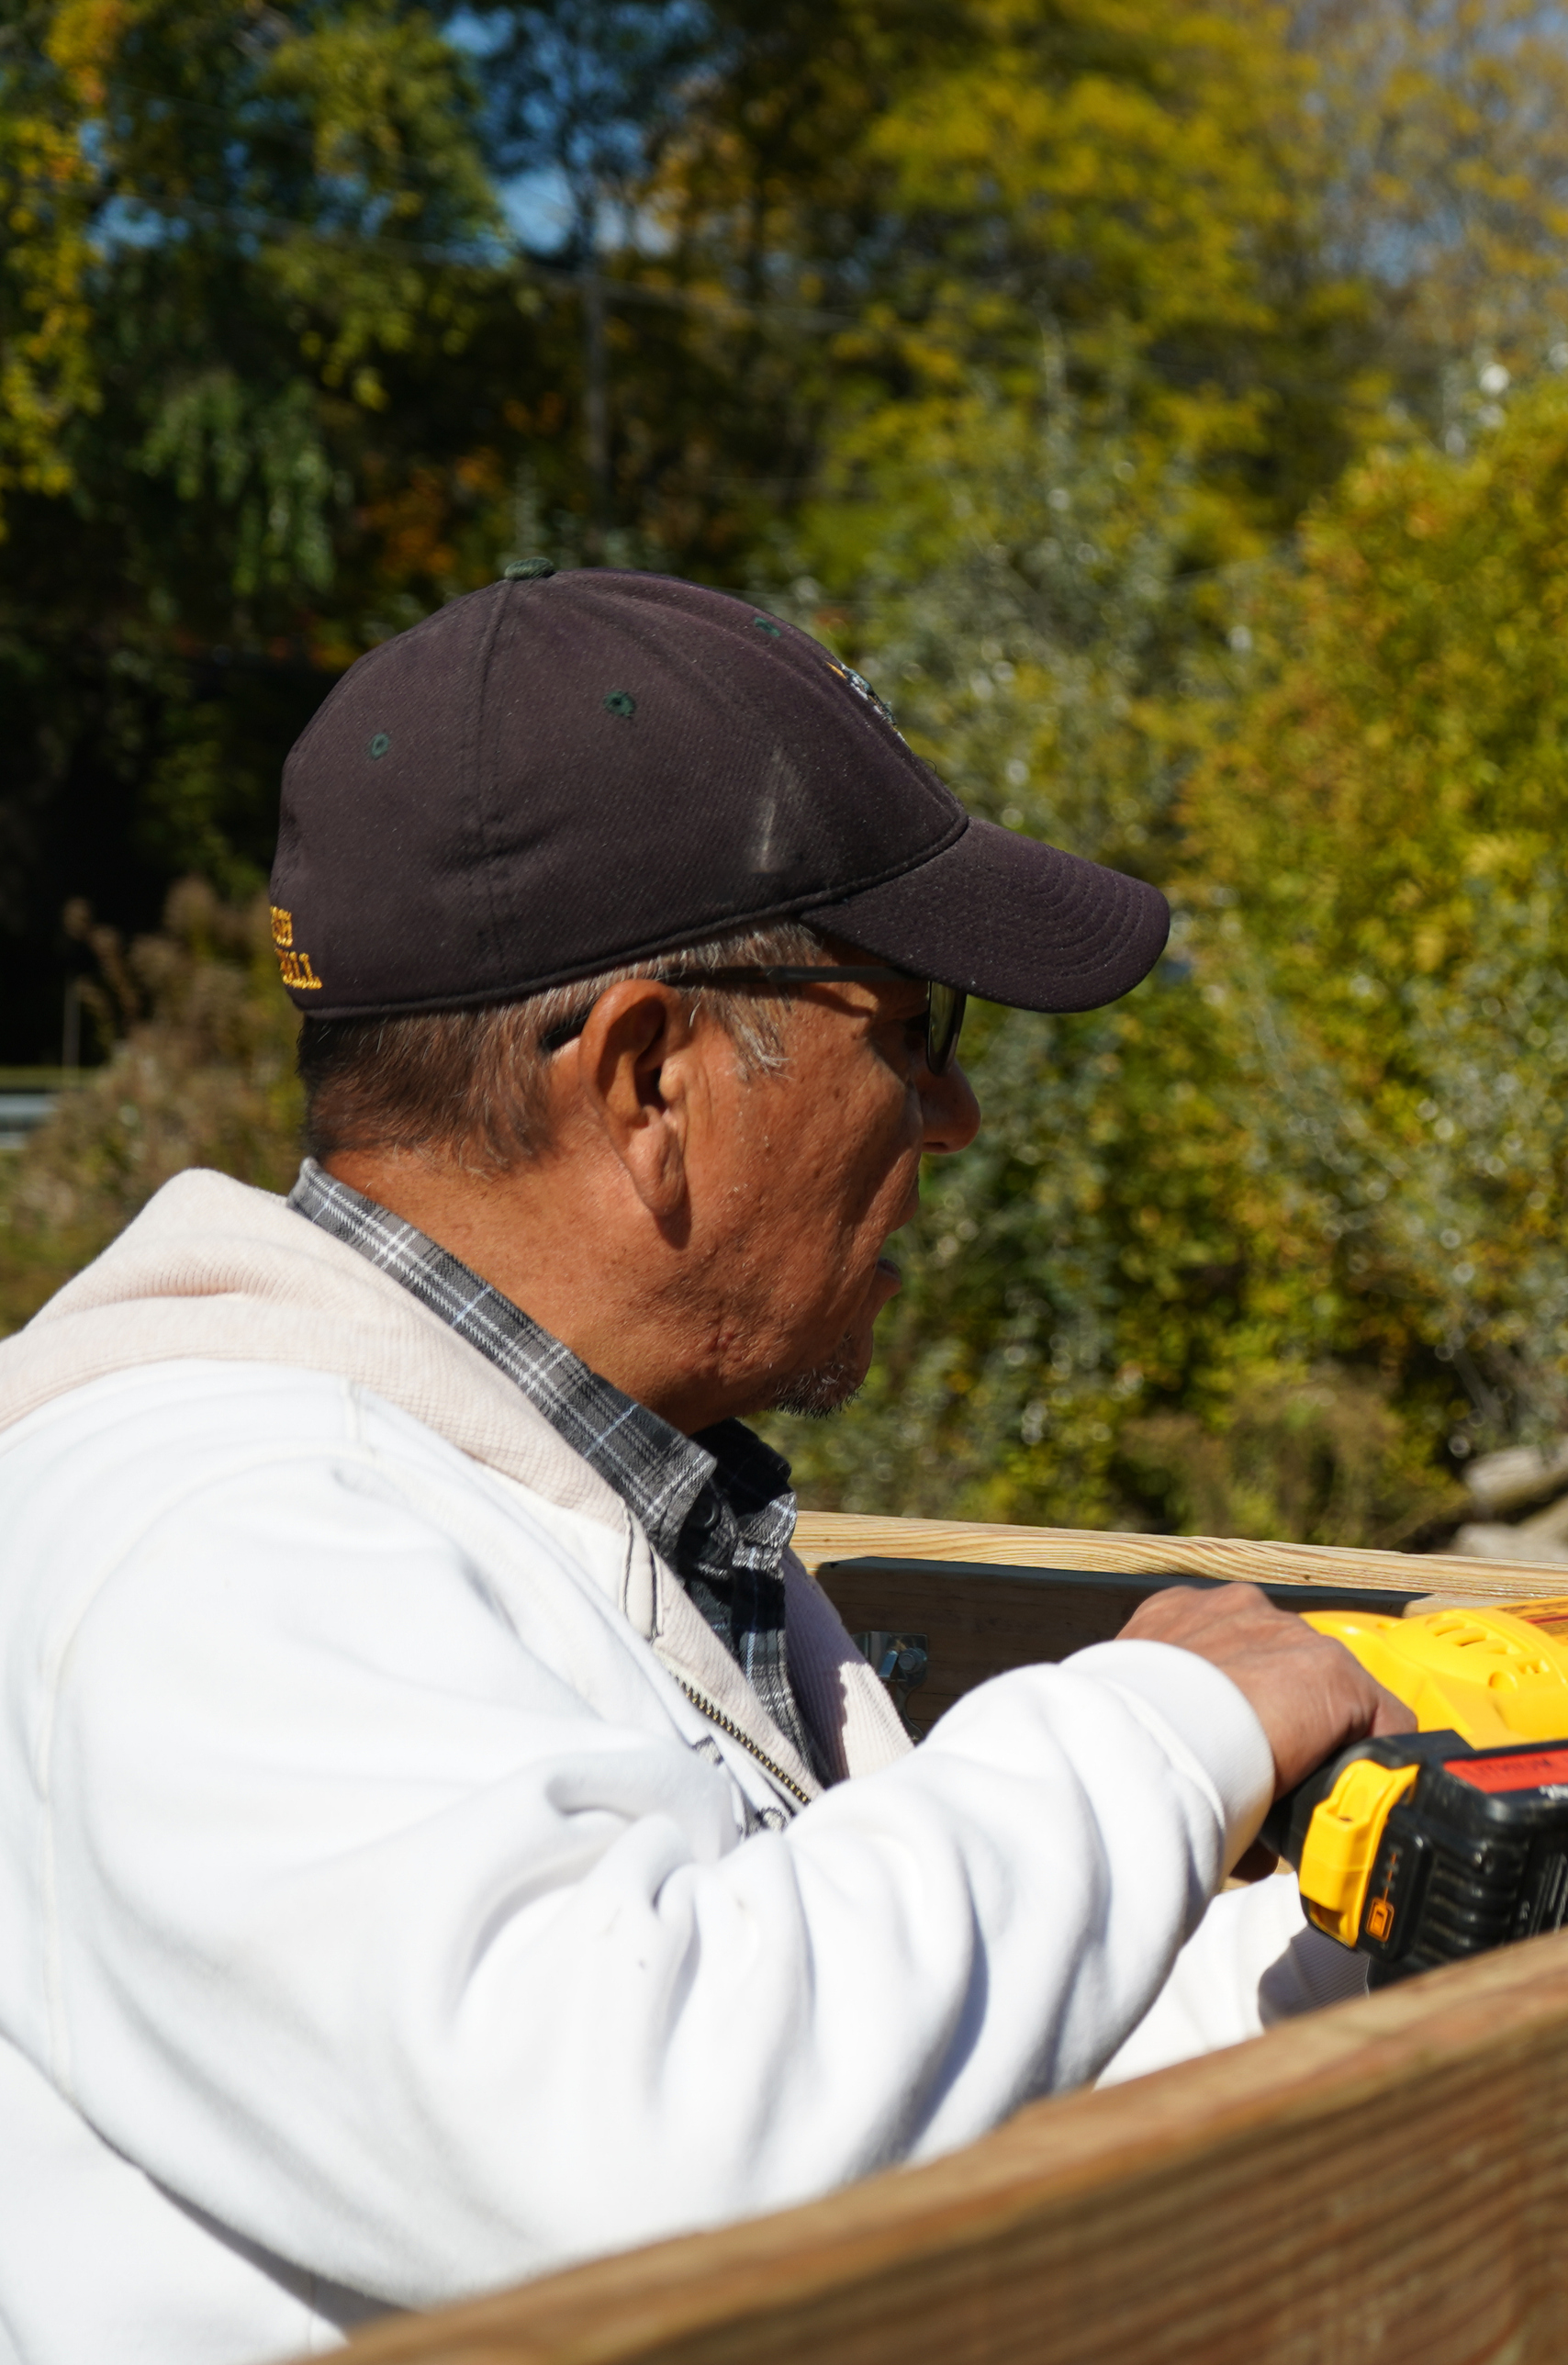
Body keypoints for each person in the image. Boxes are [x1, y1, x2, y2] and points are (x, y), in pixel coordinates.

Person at [0, 565, 1409, 2363]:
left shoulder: (589, 1493)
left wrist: (1396, 1927)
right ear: (651, 1079)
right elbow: (641, 2135)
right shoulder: (211, 1539)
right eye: (912, 1030)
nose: (955, 1114)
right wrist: (1162, 1724)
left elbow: (892, 2075)